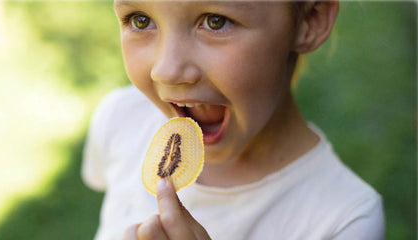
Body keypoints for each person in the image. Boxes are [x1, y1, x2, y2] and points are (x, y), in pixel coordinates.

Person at [82, 1, 384, 239]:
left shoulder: (345, 220)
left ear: (309, 20)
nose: (167, 70)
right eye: (140, 20)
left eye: (216, 21)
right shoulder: (120, 118)